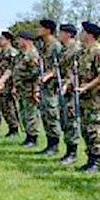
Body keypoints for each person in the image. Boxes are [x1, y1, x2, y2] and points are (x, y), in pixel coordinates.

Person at [75, 22, 100, 173]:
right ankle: (90, 159)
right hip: (83, 98)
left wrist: (87, 87)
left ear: (89, 34)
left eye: (83, 31)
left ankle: (96, 161)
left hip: (95, 99)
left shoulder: (98, 52)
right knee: (85, 130)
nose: (81, 34)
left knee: (95, 130)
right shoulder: (83, 53)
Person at [56, 24, 84, 165]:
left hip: (72, 91)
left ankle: (72, 152)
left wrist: (68, 83)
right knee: (65, 120)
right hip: (64, 90)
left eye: (61, 32)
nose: (59, 35)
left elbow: (74, 72)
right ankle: (68, 150)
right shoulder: (64, 50)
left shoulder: (76, 50)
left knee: (72, 121)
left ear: (68, 34)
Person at [36, 20, 64, 156]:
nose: (38, 29)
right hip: (44, 87)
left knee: (52, 115)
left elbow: (59, 66)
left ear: (48, 30)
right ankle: (49, 143)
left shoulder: (55, 46)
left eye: (41, 27)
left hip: (53, 87)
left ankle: (54, 145)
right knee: (45, 115)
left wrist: (49, 75)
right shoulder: (43, 45)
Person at [14, 32, 42, 147]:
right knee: (24, 113)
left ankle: (32, 138)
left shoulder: (32, 54)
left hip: (29, 89)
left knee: (31, 114)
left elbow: (36, 73)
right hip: (21, 89)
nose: (18, 42)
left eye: (20, 40)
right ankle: (28, 136)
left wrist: (36, 90)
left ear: (27, 41)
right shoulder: (21, 54)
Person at [0, 32, 21, 137]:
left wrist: (13, 86)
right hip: (1, 84)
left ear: (8, 40)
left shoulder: (12, 53)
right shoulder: (0, 53)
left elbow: (13, 70)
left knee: (10, 107)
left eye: (2, 39)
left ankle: (14, 128)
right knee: (3, 107)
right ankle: (10, 127)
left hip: (10, 84)